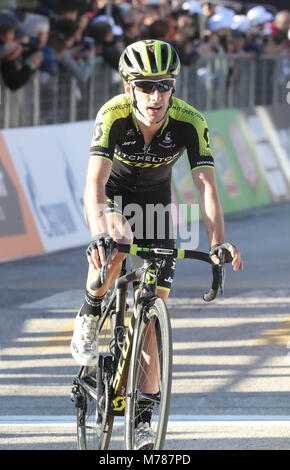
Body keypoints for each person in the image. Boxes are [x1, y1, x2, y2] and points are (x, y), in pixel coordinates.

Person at [70, 39, 243, 449]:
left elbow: (206, 187)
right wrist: (98, 231)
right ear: (129, 87)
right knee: (119, 239)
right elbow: (93, 183)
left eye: (164, 85)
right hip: (113, 198)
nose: (155, 96)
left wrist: (218, 243)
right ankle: (93, 308)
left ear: (174, 87)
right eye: (145, 86)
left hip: (156, 204)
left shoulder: (189, 120)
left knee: (150, 315)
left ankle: (144, 419)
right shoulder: (113, 114)